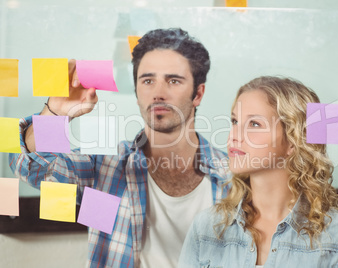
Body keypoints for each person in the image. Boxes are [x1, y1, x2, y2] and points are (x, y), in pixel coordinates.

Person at [9, 28, 230, 268]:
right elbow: (29, 168)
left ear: (198, 94)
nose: (158, 93)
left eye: (173, 80)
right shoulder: (106, 168)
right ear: (136, 92)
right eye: (147, 80)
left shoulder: (231, 177)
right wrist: (57, 114)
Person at [178, 76, 338, 268]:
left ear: (293, 141)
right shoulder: (205, 228)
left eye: (254, 124)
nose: (234, 136)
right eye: (235, 121)